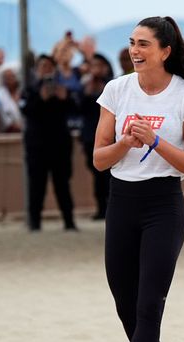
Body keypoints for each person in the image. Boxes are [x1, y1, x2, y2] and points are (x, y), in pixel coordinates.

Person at [92, 16, 184, 342]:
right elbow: (99, 159)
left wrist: (157, 141)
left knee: (148, 307)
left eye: (144, 44)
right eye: (132, 42)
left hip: (163, 207)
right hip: (121, 204)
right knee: (125, 305)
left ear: (165, 51)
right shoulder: (117, 90)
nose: (135, 50)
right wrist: (125, 142)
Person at [20, 54, 78, 232]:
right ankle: (34, 222)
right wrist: (40, 98)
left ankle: (69, 221)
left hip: (60, 144)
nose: (46, 69)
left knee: (63, 184)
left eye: (49, 66)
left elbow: (76, 109)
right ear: (36, 70)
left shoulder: (63, 89)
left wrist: (65, 98)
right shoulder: (30, 90)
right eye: (42, 66)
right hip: (37, 145)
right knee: (36, 184)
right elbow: (25, 110)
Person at [80, 53, 115, 220]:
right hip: (90, 135)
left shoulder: (113, 86)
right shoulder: (86, 86)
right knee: (97, 173)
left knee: (110, 175)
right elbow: (80, 108)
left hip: (112, 136)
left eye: (99, 65)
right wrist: (88, 90)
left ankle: (112, 206)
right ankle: (101, 208)